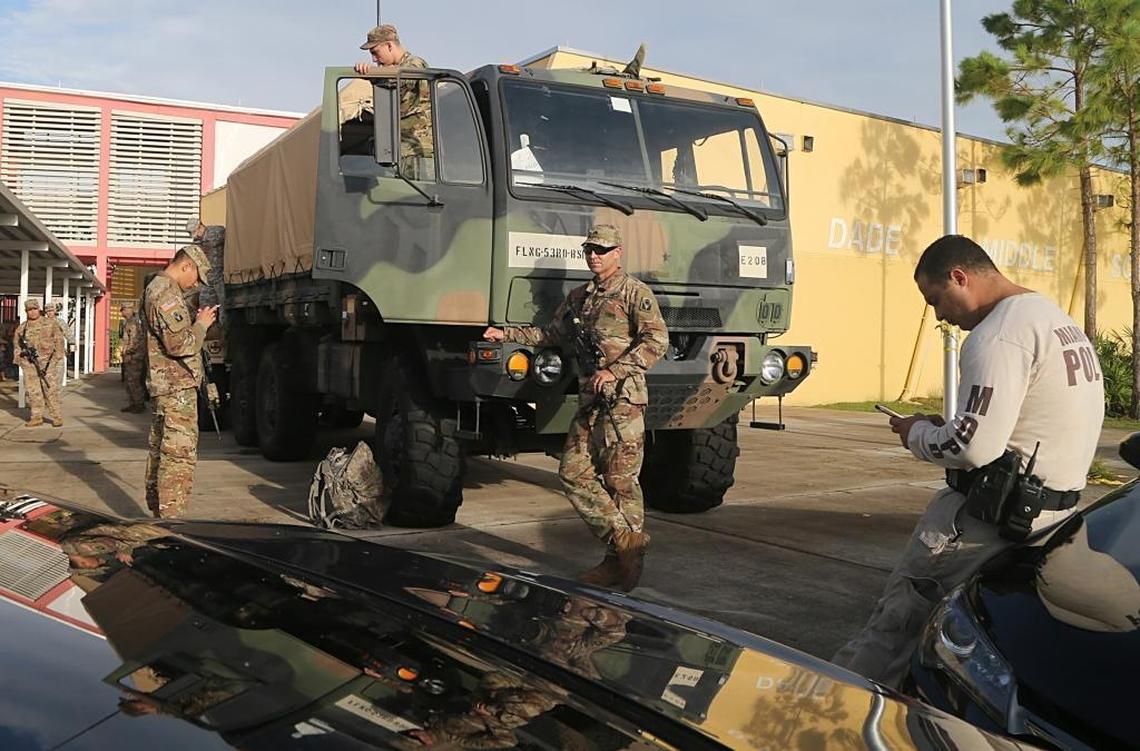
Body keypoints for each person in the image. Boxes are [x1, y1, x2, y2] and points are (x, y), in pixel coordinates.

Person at [832, 234, 1105, 688]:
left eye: (936, 299)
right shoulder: (1052, 319)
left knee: (894, 629)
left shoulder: (997, 335)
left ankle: (838, 711)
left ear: (960, 277)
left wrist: (917, 433)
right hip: (1046, 521)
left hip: (979, 523)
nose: (939, 315)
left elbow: (973, 448)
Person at [483, 225, 668, 592]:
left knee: (621, 481)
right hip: (591, 400)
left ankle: (621, 566)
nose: (594, 256)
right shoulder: (580, 297)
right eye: (589, 250)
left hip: (623, 400)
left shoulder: (635, 293)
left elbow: (657, 341)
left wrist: (614, 371)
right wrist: (507, 334)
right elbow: (551, 334)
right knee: (573, 471)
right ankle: (622, 540)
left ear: (618, 252)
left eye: (601, 249)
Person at [142, 245, 217, 518]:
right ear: (186, 265)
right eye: (196, 276)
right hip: (176, 389)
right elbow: (178, 344)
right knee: (178, 458)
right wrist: (202, 325)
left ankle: (161, 514)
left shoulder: (160, 289)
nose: (195, 283)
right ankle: (171, 521)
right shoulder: (165, 293)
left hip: (169, 387)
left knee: (162, 451)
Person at [353, 23, 432, 177]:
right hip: (401, 150)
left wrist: (373, 73)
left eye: (376, 52)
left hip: (418, 150)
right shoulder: (391, 72)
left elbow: (403, 78)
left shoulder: (415, 63)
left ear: (389, 46)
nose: (374, 59)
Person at [13, 298, 66, 427]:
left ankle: (57, 416)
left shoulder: (50, 323)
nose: (32, 312)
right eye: (29, 310)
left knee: (50, 389)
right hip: (30, 365)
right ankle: (36, 417)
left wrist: (56, 358)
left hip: (48, 364)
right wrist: (21, 360)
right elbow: (17, 346)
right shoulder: (22, 328)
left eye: (34, 309)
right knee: (33, 391)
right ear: (26, 311)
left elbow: (59, 341)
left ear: (39, 309)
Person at [119, 300, 147, 413]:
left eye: (123, 310)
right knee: (129, 381)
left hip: (135, 357)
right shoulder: (128, 322)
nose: (122, 312)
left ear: (129, 310)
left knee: (134, 381)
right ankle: (133, 403)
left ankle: (139, 404)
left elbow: (136, 341)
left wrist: (129, 353)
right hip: (129, 356)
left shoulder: (135, 323)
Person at [43, 302, 71, 387]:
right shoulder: (43, 323)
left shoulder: (60, 322)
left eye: (51, 311)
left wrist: (72, 343)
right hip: (45, 354)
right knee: (46, 377)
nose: (50, 313)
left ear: (55, 311)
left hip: (58, 353)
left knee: (58, 376)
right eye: (48, 311)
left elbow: (68, 333)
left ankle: (55, 397)